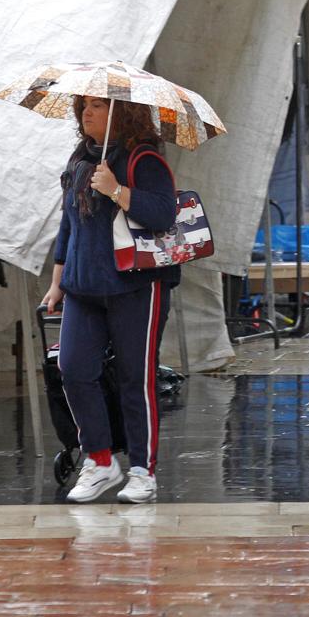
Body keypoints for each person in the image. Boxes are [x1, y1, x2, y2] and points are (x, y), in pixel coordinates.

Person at [42, 96, 180, 504]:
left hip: (136, 285)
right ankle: (101, 460)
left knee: (134, 379)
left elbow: (163, 214)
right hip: (85, 284)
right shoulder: (80, 160)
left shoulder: (144, 159)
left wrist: (117, 190)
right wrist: (57, 281)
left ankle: (143, 470)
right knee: (73, 368)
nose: (87, 113)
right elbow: (69, 224)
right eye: (83, 106)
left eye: (98, 106)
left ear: (122, 112)